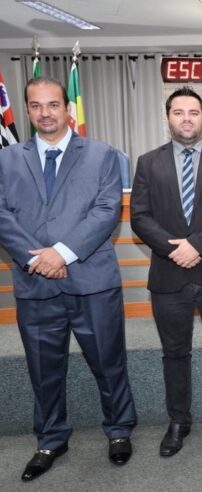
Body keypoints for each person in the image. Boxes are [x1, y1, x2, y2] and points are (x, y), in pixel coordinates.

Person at [0, 76, 137, 481]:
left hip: (92, 282)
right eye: (36, 105)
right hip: (35, 284)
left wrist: (60, 253)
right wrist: (39, 260)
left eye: (53, 105)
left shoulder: (102, 155)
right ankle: (50, 439)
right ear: (26, 110)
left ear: (67, 109)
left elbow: (106, 211)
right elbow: (2, 215)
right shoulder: (6, 160)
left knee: (109, 363)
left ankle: (118, 431)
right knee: (43, 370)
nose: (45, 113)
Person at [131, 86, 202, 457]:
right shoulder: (148, 162)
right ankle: (178, 420)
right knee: (174, 353)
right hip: (169, 275)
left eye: (193, 112)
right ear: (168, 118)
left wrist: (196, 245)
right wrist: (175, 249)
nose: (186, 119)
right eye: (178, 112)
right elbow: (139, 216)